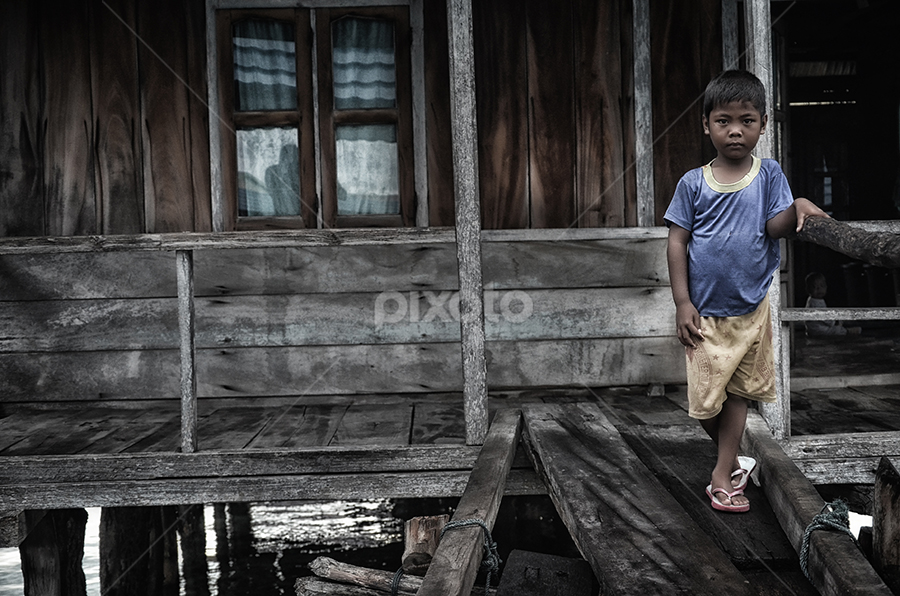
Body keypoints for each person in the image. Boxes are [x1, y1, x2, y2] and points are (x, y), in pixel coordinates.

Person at [664, 70, 828, 513]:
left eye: (746, 120)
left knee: (737, 392)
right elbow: (677, 240)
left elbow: (774, 226)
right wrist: (682, 301)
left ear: (762, 125)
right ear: (706, 124)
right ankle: (733, 459)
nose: (735, 130)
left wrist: (797, 208)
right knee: (704, 402)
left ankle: (723, 474)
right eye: (723, 121)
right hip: (705, 313)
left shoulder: (769, 174)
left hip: (751, 308)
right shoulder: (693, 183)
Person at [804, 272, 861, 336]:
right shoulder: (815, 303)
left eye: (822, 286)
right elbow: (824, 316)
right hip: (819, 329)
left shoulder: (813, 300)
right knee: (836, 330)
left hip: (816, 328)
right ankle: (848, 331)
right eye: (814, 287)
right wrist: (834, 322)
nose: (819, 289)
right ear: (808, 289)